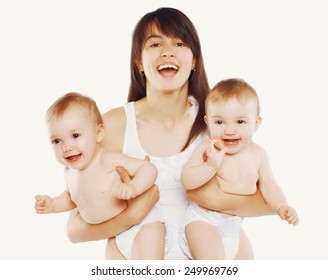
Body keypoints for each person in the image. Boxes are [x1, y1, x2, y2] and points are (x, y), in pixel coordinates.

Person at [66, 7, 272, 260]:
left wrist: (214, 198)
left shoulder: (219, 121)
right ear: (139, 61)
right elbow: (75, 230)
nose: (167, 51)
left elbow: (268, 201)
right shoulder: (113, 125)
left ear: (194, 60)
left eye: (179, 42)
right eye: (155, 44)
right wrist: (133, 214)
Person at [34, 92, 166, 259]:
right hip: (114, 234)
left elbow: (148, 169)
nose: (66, 147)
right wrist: (53, 205)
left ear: (98, 134)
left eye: (75, 136)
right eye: (57, 141)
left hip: (143, 226)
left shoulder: (108, 160)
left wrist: (133, 187)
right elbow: (72, 198)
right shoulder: (69, 172)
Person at [179, 78, 299, 260]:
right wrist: (210, 166)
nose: (229, 130)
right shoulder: (208, 149)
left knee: (247, 262)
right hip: (203, 221)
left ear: (256, 123)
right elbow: (187, 180)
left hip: (233, 225)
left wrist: (281, 206)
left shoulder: (258, 155)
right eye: (219, 122)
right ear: (208, 122)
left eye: (240, 122)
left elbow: (269, 185)